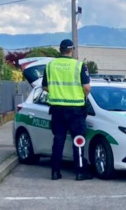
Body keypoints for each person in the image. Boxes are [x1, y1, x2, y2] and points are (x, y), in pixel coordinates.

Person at [42, 39, 93, 181]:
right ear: (72, 50)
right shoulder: (79, 65)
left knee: (58, 139)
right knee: (78, 140)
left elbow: (45, 86)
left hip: (57, 108)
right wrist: (82, 97)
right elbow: (87, 87)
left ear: (60, 50)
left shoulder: (50, 65)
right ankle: (80, 172)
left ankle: (55, 172)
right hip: (76, 109)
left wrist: (58, 93)